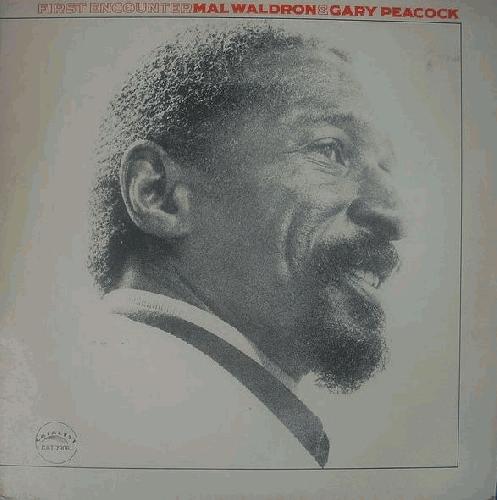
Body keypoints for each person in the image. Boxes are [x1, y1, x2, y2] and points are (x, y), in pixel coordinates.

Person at [84, 23, 405, 468]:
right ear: (159, 194)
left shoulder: (231, 423)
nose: (393, 214)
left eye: (386, 168)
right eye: (330, 150)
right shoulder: (117, 417)